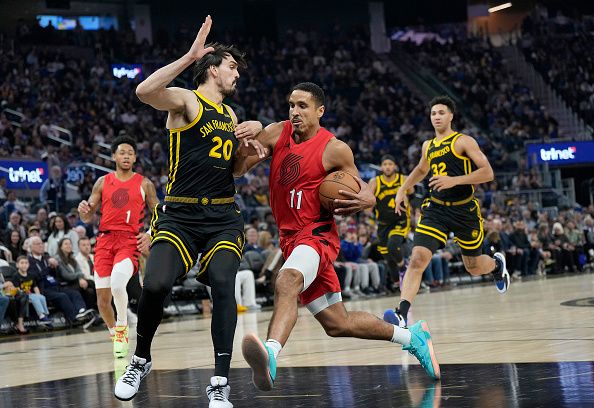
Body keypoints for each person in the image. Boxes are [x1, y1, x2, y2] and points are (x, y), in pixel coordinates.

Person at [234, 82, 441, 391]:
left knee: (286, 280)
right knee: (337, 323)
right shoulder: (277, 132)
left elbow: (362, 187)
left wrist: (368, 198)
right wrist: (243, 148)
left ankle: (271, 354)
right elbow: (238, 170)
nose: (295, 111)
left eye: (303, 106)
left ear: (320, 111)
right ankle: (414, 338)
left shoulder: (335, 148)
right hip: (290, 239)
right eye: (291, 104)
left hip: (317, 236)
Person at [114, 16, 266, 408]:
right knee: (156, 286)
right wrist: (190, 55)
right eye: (232, 67)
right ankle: (140, 359)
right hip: (179, 216)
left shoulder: (231, 117)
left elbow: (234, 170)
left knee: (222, 286)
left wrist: (251, 154)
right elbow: (144, 90)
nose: (237, 74)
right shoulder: (186, 100)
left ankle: (219, 382)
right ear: (213, 68)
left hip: (222, 218)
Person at [384, 95, 510, 328]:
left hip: (465, 211)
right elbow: (422, 169)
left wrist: (454, 181)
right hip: (436, 209)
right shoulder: (428, 146)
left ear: (451, 116)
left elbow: (487, 173)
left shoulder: (464, 141)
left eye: (441, 112)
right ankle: (401, 313)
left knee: (473, 267)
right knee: (417, 259)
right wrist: (402, 188)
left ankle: (496, 266)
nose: (437, 117)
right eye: (433, 113)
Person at [78, 135, 158, 358]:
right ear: (113, 156)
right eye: (122, 152)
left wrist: (151, 234)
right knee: (102, 302)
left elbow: (160, 214)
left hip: (128, 241)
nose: (126, 156)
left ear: (134, 157)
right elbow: (87, 215)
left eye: (130, 153)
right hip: (104, 241)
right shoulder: (103, 182)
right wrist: (83, 209)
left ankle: (122, 328)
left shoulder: (145, 183)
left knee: (117, 283)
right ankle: (114, 332)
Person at [368, 155, 412, 288]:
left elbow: (413, 194)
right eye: (385, 164)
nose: (387, 166)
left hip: (400, 220)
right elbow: (369, 205)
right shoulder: (374, 182)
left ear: (395, 166)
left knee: (393, 246)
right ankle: (400, 286)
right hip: (382, 224)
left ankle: (403, 268)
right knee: (388, 260)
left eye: (390, 164)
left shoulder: (403, 179)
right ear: (381, 167)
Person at [9, 256, 52, 326]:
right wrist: (28, 296)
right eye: (22, 263)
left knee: (42, 297)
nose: (24, 265)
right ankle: (41, 316)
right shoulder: (16, 276)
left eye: (26, 263)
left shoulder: (31, 275)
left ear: (28, 265)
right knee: (34, 298)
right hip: (22, 295)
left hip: (30, 294)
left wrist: (38, 295)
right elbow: (16, 289)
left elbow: (35, 287)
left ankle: (46, 314)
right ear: (17, 265)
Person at [55, 237, 96, 310]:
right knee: (91, 283)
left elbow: (79, 270)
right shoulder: (58, 259)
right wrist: (80, 277)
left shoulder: (72, 258)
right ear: (61, 247)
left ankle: (92, 311)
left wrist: (80, 278)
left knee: (90, 291)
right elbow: (67, 276)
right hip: (66, 285)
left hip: (75, 283)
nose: (69, 245)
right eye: (66, 244)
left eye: (70, 244)